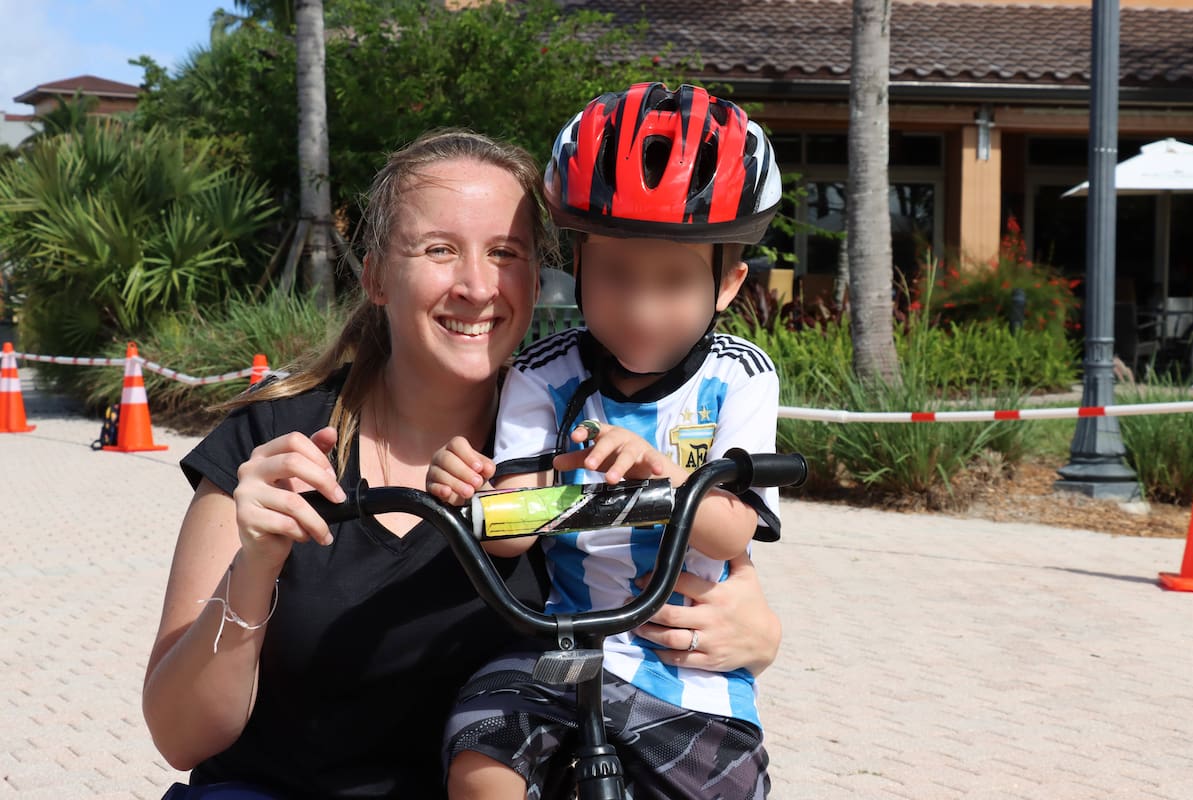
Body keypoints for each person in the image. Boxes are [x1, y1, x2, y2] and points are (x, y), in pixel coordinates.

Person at [142, 128, 784, 800]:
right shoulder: (276, 439)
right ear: (375, 274)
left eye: (504, 253)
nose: (477, 286)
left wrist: (755, 631)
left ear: (540, 279)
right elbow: (182, 737)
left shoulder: (577, 430)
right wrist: (254, 569)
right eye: (439, 250)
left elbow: (714, 557)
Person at [427, 83, 784, 799]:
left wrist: (665, 479)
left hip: (689, 671)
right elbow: (507, 535)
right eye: (615, 274)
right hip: (564, 652)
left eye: (675, 280)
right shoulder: (541, 373)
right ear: (578, 264)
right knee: (481, 751)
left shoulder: (738, 375)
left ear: (728, 282)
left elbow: (730, 530)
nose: (641, 307)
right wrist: (478, 497)